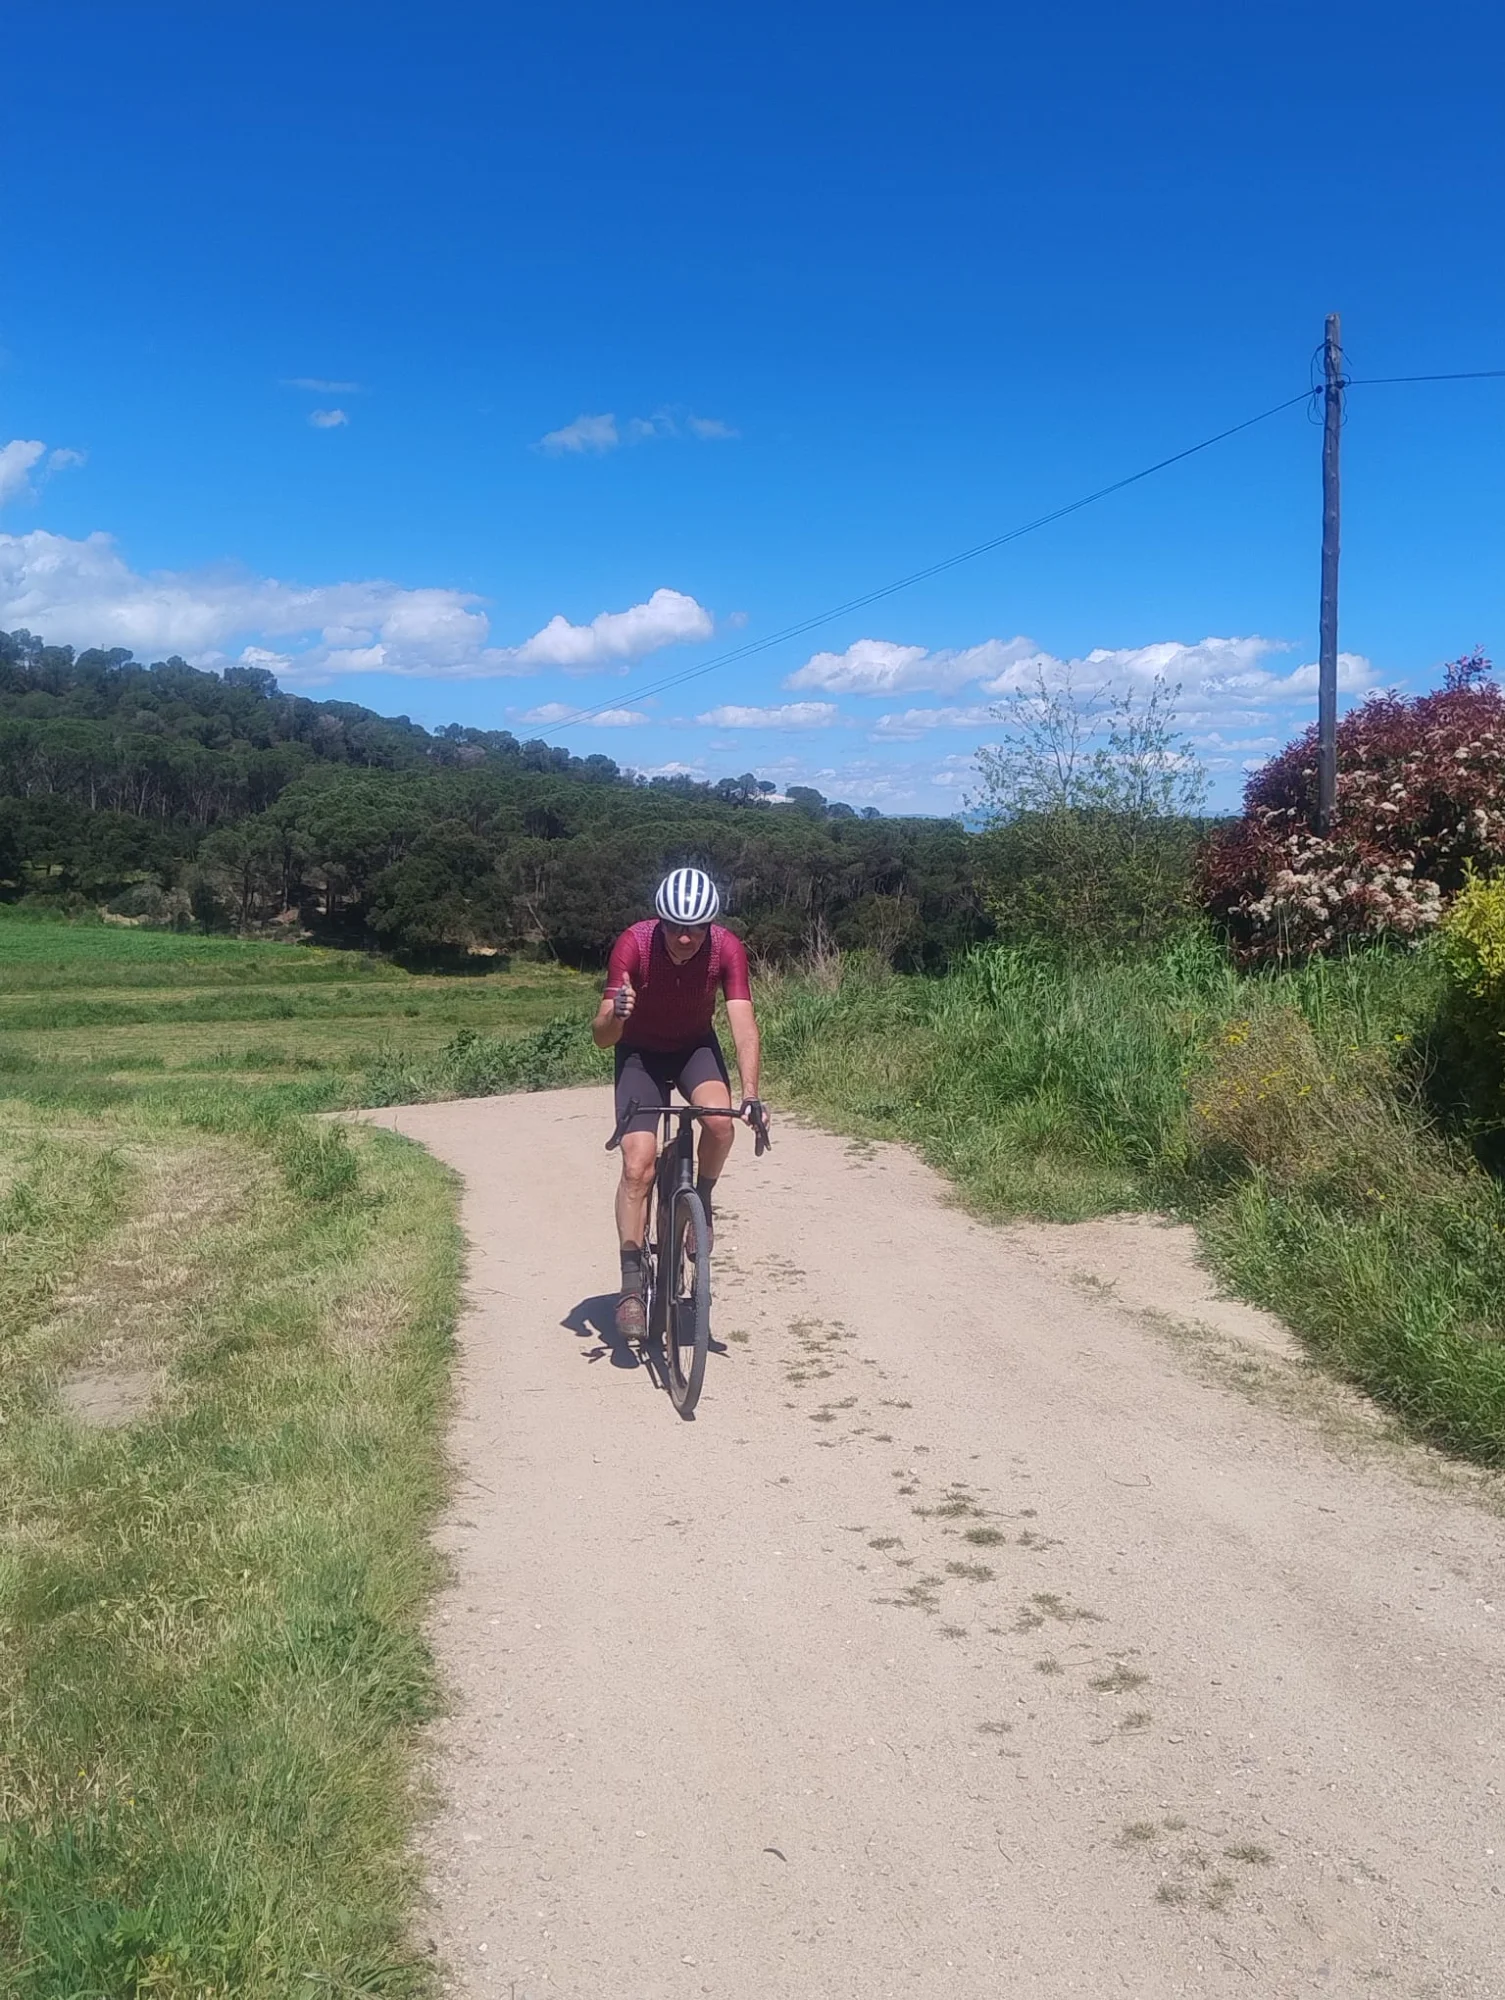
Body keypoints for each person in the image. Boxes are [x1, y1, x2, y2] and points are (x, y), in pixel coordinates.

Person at [593, 867, 766, 1342]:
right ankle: (631, 1286)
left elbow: (743, 1024)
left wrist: (750, 1095)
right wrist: (615, 1013)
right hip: (640, 1055)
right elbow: (602, 1038)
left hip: (693, 1048)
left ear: (711, 924)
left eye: (696, 928)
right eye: (674, 926)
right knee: (638, 1167)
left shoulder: (727, 949)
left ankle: (700, 1200)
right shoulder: (633, 945)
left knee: (721, 1123)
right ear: (660, 919)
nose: (685, 938)